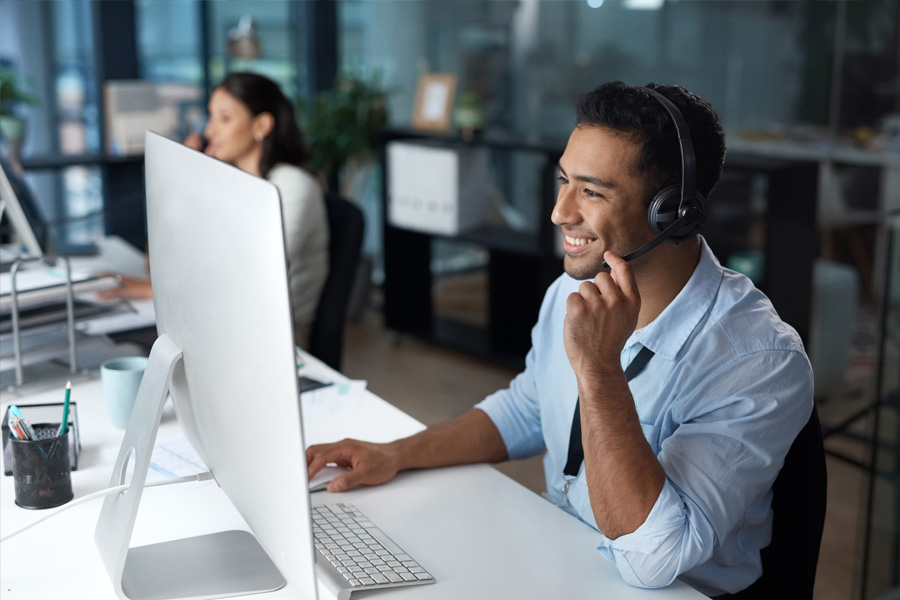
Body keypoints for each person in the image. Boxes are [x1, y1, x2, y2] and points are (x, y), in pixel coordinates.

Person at [306, 81, 813, 598]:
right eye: (563, 181)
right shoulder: (573, 291)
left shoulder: (759, 358)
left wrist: (599, 369)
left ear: (672, 212)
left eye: (592, 191)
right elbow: (528, 409)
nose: (559, 212)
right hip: (562, 555)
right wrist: (397, 454)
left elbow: (654, 557)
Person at [102, 72, 329, 347]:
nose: (209, 131)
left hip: (276, 341)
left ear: (262, 125)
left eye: (225, 118)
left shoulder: (292, 186)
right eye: (210, 117)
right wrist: (180, 186)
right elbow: (157, 267)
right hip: (224, 325)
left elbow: (247, 284)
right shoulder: (230, 186)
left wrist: (148, 291)